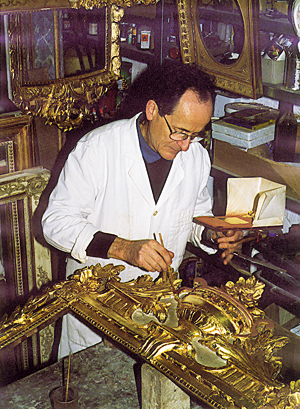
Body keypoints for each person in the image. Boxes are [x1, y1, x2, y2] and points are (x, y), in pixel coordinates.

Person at [42, 60, 242, 358]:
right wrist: (123, 248)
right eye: (180, 132)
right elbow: (54, 223)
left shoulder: (196, 157)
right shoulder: (97, 149)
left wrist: (214, 235)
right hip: (98, 307)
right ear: (152, 111)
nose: (186, 146)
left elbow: (194, 217)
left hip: (159, 314)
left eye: (197, 135)